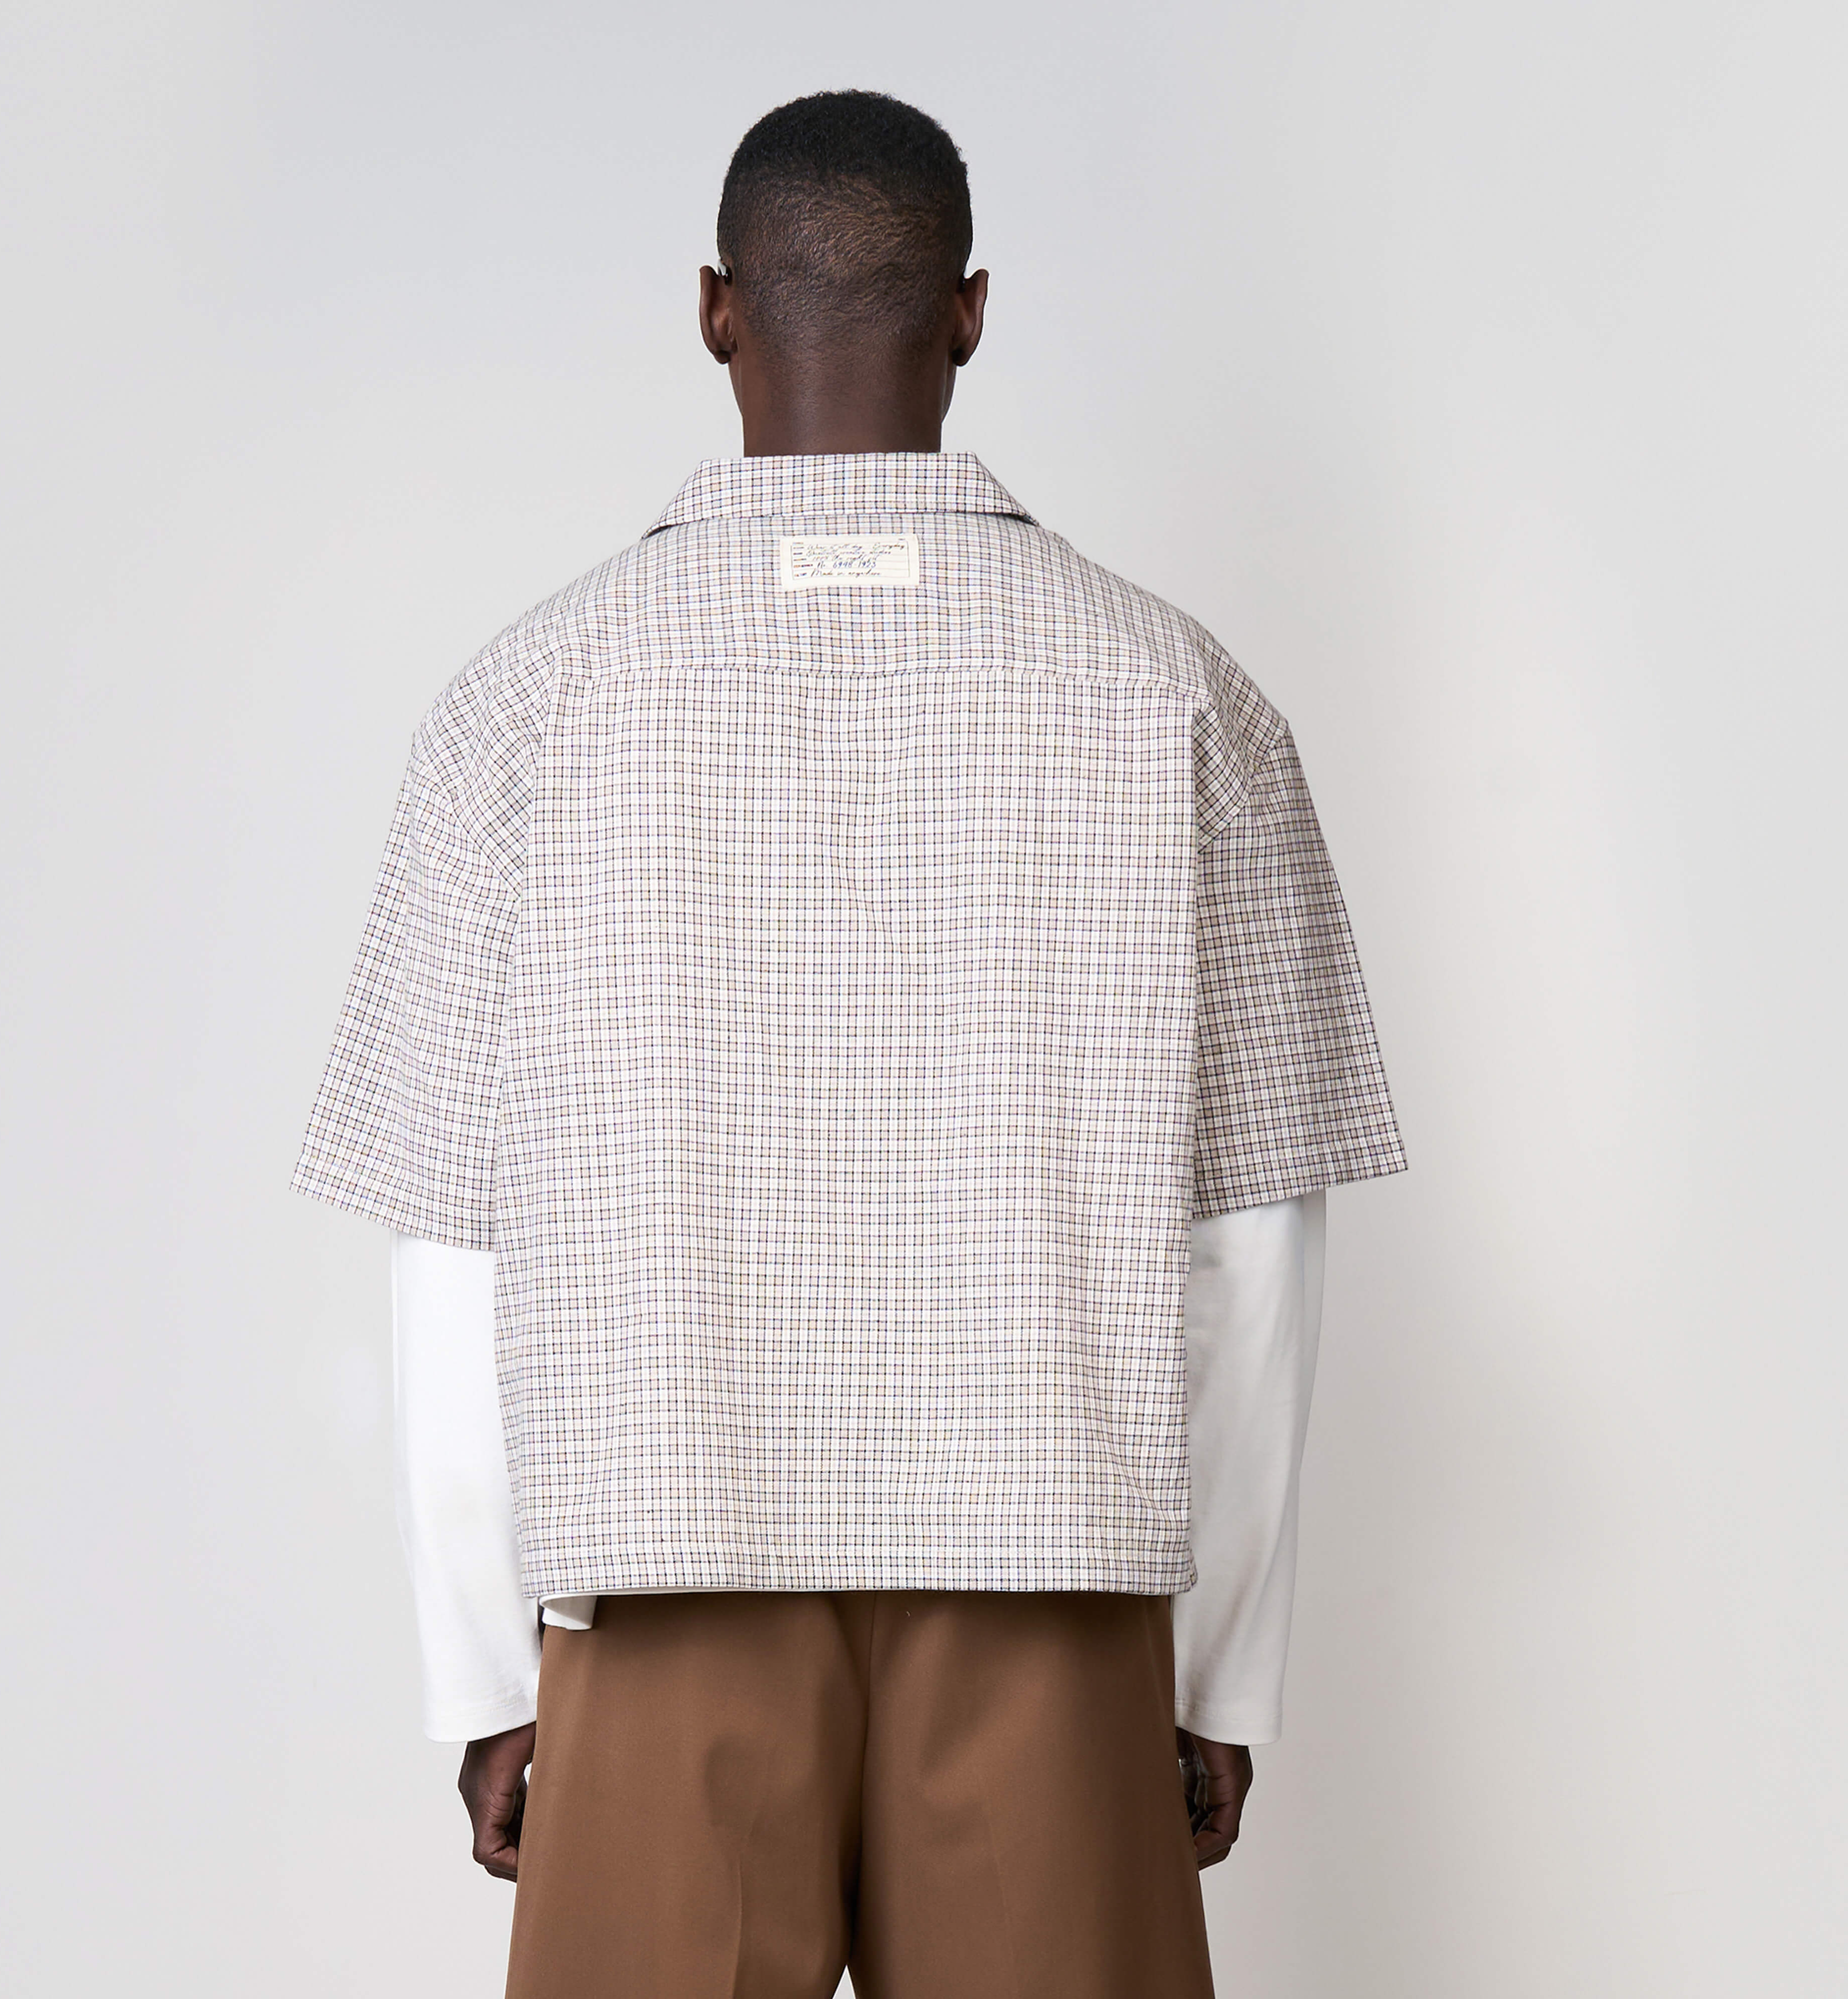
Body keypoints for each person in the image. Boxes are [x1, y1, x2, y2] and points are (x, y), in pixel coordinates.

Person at [293, 88, 1404, 1999]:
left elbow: (456, 1245)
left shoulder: (523, 705)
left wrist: (484, 1665)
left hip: (660, 1574)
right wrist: (1219, 1667)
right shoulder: (1178, 692)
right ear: (969, 313)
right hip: (1054, 1572)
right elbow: (1252, 1242)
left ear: (714, 310)